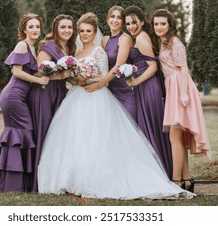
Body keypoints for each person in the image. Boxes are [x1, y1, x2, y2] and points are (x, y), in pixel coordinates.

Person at [37, 12, 192, 199]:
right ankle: (72, 177)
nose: (85, 34)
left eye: (89, 31)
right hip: (77, 96)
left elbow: (104, 74)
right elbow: (71, 77)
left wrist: (91, 79)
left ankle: (97, 178)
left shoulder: (99, 51)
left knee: (96, 138)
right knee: (76, 137)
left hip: (96, 96)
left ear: (95, 33)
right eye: (82, 31)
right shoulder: (75, 53)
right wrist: (77, 79)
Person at [151, 9, 210, 192]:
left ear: (170, 25)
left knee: (174, 136)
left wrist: (183, 93)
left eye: (163, 24)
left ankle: (176, 182)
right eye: (156, 24)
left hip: (179, 87)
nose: (159, 27)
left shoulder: (175, 42)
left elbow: (183, 68)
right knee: (178, 139)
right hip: (172, 87)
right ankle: (187, 179)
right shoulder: (163, 42)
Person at [0, 13, 49, 192]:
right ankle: (12, 184)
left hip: (20, 97)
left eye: (37, 26)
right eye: (31, 27)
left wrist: (55, 71)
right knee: (19, 135)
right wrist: (38, 81)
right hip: (13, 96)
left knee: (21, 136)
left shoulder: (33, 48)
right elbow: (16, 72)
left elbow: (34, 71)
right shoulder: (22, 45)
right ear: (24, 30)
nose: (35, 30)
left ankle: (15, 182)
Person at [27, 14, 77, 192]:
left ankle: (55, 177)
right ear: (56, 29)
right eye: (63, 27)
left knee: (56, 136)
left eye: (70, 27)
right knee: (45, 133)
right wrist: (61, 75)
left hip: (59, 94)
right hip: (45, 94)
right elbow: (39, 73)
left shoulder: (68, 48)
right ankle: (40, 181)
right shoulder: (49, 46)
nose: (67, 31)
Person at [124, 5, 173, 179]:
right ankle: (160, 171)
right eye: (128, 23)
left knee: (151, 127)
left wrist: (135, 81)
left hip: (148, 87)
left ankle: (160, 174)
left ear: (142, 21)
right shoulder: (139, 37)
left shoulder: (141, 39)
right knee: (150, 127)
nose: (131, 26)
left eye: (134, 22)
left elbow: (153, 67)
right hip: (145, 87)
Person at [84, 6, 136, 120]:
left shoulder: (125, 39)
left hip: (125, 89)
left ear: (123, 22)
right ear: (108, 19)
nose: (115, 20)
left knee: (129, 124)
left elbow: (118, 66)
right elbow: (101, 65)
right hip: (109, 90)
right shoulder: (104, 40)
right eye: (112, 16)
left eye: (119, 18)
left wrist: (98, 85)